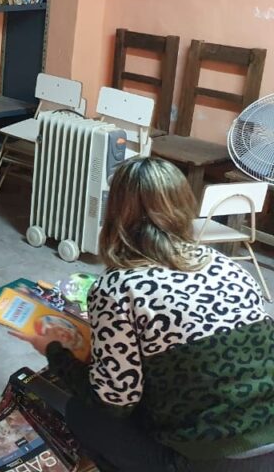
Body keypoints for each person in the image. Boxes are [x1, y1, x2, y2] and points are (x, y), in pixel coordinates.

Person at [14, 157, 274, 472]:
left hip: (214, 460)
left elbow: (112, 402)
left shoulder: (118, 287)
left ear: (115, 213)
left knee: (83, 415)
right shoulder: (228, 266)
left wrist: (54, 351)